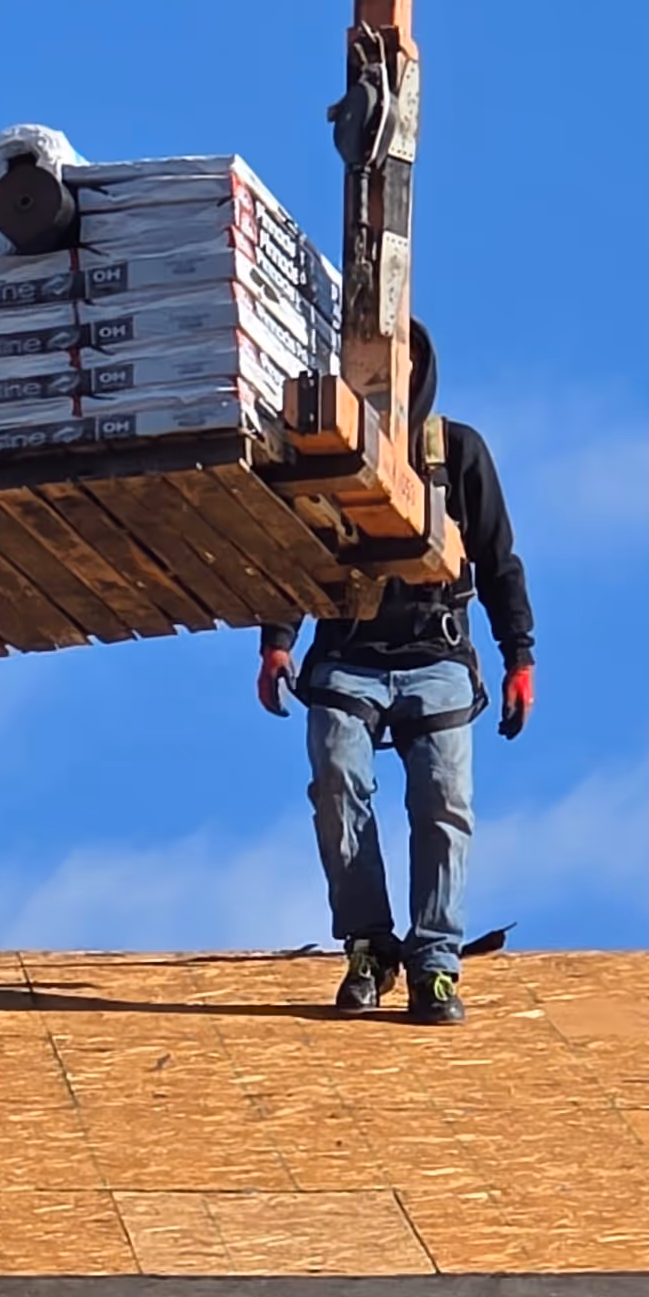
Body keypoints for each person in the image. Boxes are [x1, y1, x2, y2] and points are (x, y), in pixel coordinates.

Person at [257, 322, 535, 1025]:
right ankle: (368, 948)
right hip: (347, 657)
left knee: (443, 802)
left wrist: (519, 656)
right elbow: (295, 552)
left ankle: (435, 964)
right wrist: (277, 643)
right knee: (335, 783)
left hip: (437, 658)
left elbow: (499, 562)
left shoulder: (457, 452)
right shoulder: (324, 454)